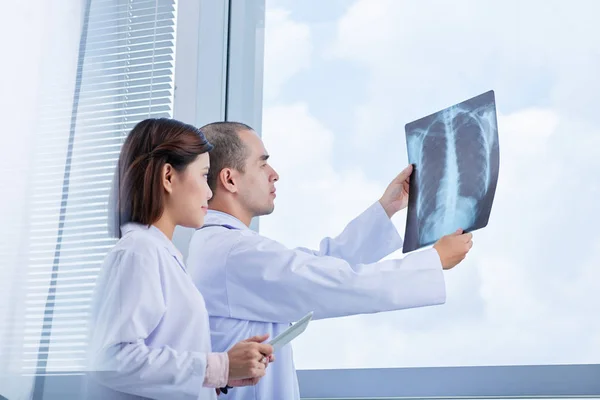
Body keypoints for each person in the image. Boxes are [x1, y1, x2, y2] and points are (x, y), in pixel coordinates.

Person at [186, 122, 474, 400]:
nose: (274, 174)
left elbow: (319, 265)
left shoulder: (226, 246)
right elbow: (337, 283)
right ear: (230, 179)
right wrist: (433, 261)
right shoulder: (234, 252)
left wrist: (388, 207)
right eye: (262, 164)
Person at [84, 118, 275, 400]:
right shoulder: (139, 252)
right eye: (203, 176)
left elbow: (157, 359)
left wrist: (224, 373)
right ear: (169, 177)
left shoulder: (159, 254)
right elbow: (111, 359)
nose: (210, 193)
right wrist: (218, 367)